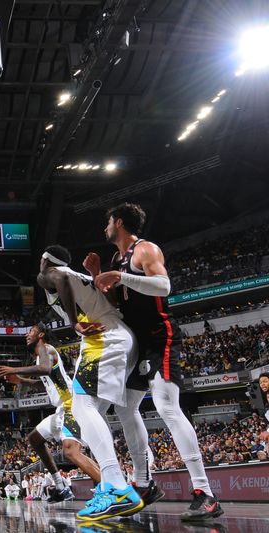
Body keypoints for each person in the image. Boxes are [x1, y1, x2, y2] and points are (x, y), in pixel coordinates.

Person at [90, 202, 223, 521]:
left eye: (108, 222)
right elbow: (116, 297)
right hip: (136, 342)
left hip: (160, 337)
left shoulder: (144, 250)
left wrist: (119, 276)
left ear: (119, 223)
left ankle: (205, 493)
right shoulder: (116, 260)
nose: (105, 227)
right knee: (125, 407)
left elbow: (164, 286)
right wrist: (98, 275)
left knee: (166, 406)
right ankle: (144, 484)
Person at [37, 245, 143, 521]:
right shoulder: (77, 275)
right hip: (120, 336)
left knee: (82, 408)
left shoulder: (50, 273)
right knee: (90, 412)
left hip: (103, 339)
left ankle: (118, 487)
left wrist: (74, 323)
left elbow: (58, 280)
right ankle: (113, 486)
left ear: (45, 260)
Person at [0, 323, 101, 503]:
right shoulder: (41, 356)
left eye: (31, 332)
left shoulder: (46, 349)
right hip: (62, 409)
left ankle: (111, 489)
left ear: (41, 335)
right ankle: (60, 486)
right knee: (35, 439)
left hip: (71, 405)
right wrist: (20, 380)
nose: (27, 335)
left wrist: (14, 369)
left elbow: (45, 369)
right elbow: (44, 382)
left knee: (71, 453)